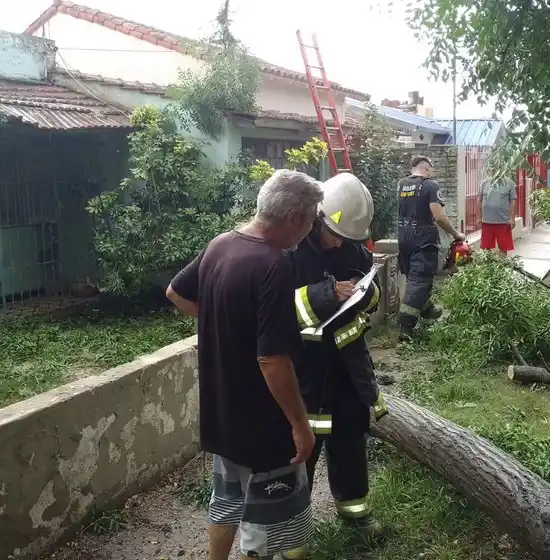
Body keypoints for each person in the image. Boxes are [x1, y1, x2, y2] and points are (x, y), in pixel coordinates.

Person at [166, 170, 323, 560]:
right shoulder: (273, 265)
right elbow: (272, 359)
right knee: (266, 528)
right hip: (262, 424)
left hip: (222, 413)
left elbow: (176, 292)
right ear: (293, 218)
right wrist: (300, 426)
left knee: (228, 500)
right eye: (311, 219)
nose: (310, 229)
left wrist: (223, 323)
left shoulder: (221, 244)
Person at [282, 173, 389, 560]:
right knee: (299, 450)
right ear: (316, 217)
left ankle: (354, 511)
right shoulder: (289, 250)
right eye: (334, 234)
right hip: (305, 372)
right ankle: (291, 533)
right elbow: (277, 307)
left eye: (348, 238)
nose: (340, 243)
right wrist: (327, 294)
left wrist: (364, 292)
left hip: (346, 370)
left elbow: (374, 293)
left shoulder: (352, 248)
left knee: (349, 439)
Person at [397, 155, 465, 343]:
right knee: (419, 281)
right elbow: (439, 216)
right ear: (426, 168)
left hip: (403, 239)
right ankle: (405, 329)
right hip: (423, 241)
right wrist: (455, 234)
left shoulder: (402, 184)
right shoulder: (430, 186)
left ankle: (426, 308)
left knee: (415, 278)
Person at [478, 176, 518, 254]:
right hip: (487, 222)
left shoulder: (509, 183)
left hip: (503, 222)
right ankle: (488, 265)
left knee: (503, 248)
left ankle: (502, 265)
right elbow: (479, 200)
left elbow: (513, 201)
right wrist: (478, 217)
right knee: (486, 248)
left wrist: (512, 218)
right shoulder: (484, 183)